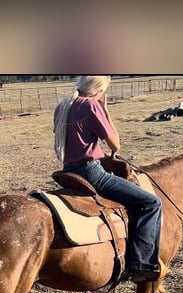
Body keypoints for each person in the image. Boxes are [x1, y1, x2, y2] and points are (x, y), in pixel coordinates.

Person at [53, 76, 162, 282]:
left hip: (68, 171)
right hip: (91, 173)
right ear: (100, 90)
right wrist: (105, 109)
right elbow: (115, 145)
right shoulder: (91, 106)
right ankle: (141, 264)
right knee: (151, 203)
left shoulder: (62, 106)